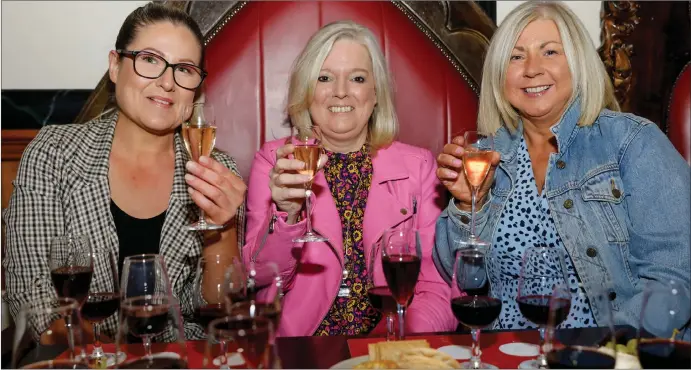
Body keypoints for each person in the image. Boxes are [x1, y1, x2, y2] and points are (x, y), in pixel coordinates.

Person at [434, 1, 690, 334]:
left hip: (603, 353)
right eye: (516, 56)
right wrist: (470, 205)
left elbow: (675, 278)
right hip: (501, 352)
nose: (531, 69)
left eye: (550, 52)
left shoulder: (633, 142)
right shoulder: (482, 156)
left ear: (579, 63)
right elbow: (459, 279)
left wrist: (611, 349)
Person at [3, 3, 246, 341]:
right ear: (115, 67)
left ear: (196, 87)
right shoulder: (54, 154)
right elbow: (33, 300)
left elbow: (221, 312)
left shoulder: (218, 172)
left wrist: (224, 229)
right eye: (150, 60)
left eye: (185, 69)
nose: (167, 83)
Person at [242, 20, 456, 337]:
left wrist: (394, 347)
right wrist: (287, 214)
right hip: (302, 351)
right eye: (324, 78)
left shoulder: (419, 167)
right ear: (307, 92)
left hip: (389, 346)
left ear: (375, 93)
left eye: (357, 78)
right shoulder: (276, 162)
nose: (340, 91)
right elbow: (259, 280)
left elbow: (436, 287)